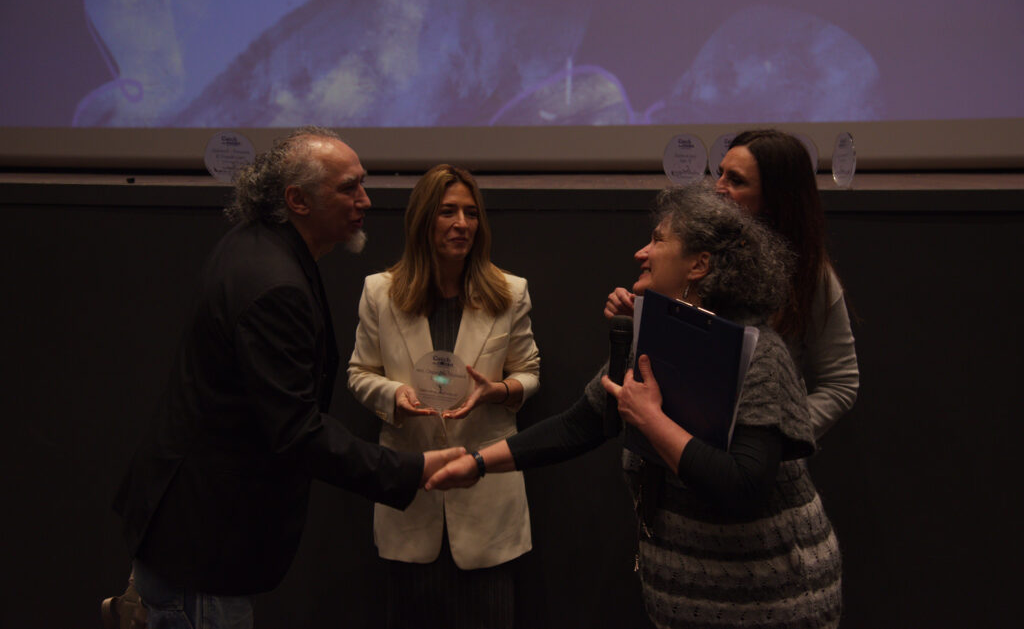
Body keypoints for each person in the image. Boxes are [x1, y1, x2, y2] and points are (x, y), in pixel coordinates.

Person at [426, 182, 842, 628]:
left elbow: (742, 487)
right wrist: (476, 463)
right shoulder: (655, 338)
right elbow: (579, 424)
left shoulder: (759, 354)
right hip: (683, 603)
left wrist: (649, 419)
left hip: (771, 602)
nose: (641, 253)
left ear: (699, 265)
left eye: (658, 240)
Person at [102, 128, 464, 629]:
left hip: (186, 535)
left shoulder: (255, 244)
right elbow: (296, 431)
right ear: (297, 200)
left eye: (362, 183)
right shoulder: (275, 284)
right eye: (348, 188)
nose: (365, 200)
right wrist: (412, 469)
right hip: (203, 549)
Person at [348, 164, 540, 629]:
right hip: (411, 495)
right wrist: (395, 395)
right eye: (448, 212)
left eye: (471, 213)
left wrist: (499, 391)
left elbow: (529, 372)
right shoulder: (380, 292)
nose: (462, 224)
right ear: (423, 220)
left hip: (487, 503)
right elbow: (359, 373)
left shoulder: (509, 292)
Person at [605, 129, 858, 440]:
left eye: (736, 181)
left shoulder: (810, 275)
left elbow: (840, 383)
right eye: (720, 173)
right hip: (681, 446)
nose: (718, 188)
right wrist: (640, 322)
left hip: (757, 462)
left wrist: (772, 438)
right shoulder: (700, 255)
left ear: (774, 199)